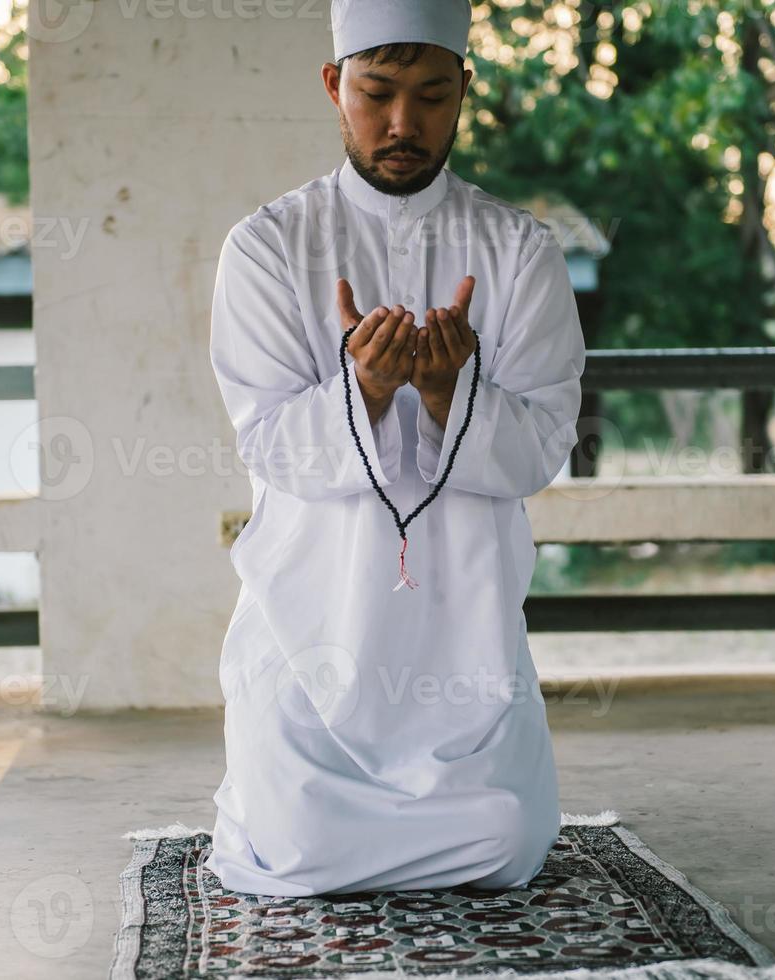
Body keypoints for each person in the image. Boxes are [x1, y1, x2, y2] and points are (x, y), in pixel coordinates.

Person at [204, 0, 586, 897]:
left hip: (465, 627)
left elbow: (540, 449)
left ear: (464, 93)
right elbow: (268, 444)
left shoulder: (520, 250)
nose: (403, 124)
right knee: (297, 846)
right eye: (376, 93)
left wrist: (454, 388)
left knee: (503, 844)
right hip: (313, 617)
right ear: (336, 87)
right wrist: (366, 389)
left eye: (431, 95)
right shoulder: (266, 246)